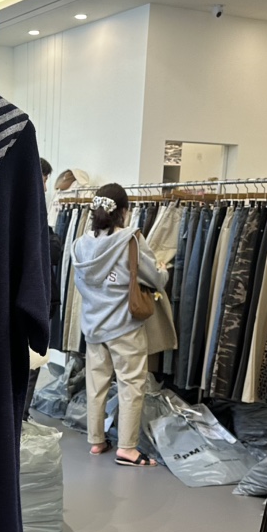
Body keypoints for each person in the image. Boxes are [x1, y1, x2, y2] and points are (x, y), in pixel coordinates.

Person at [72, 183, 168, 467]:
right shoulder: (131, 240)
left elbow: (81, 285)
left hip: (94, 326)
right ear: (124, 211)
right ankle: (127, 448)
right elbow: (154, 278)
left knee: (96, 385)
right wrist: (163, 271)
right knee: (131, 385)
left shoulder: (80, 244)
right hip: (125, 326)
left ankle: (96, 440)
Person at [23, 157, 62, 420]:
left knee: (30, 364)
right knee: (30, 364)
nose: (46, 188)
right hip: (30, 304)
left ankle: (19, 418)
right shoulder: (29, 213)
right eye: (44, 180)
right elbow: (53, 251)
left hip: (33, 302)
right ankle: (19, 419)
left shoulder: (34, 212)